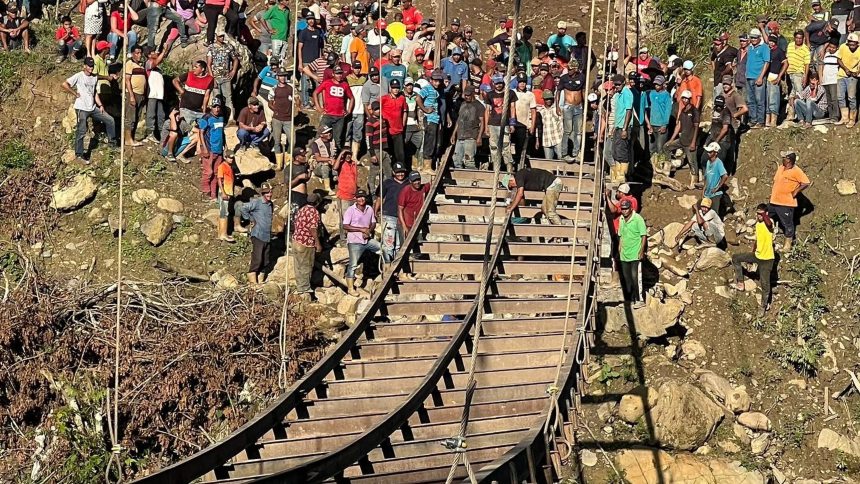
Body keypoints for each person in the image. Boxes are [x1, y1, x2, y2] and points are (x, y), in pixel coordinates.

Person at [62, 57, 116, 163]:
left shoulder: (94, 78)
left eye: (92, 66)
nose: (91, 68)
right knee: (81, 131)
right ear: (84, 66)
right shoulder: (79, 76)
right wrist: (75, 93)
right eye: (89, 66)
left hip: (92, 107)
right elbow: (64, 84)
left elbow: (94, 93)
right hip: (82, 108)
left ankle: (112, 144)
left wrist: (100, 105)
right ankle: (79, 154)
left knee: (110, 120)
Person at [732, 204, 775, 315]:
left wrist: (764, 215)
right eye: (757, 213)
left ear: (765, 214)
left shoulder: (769, 222)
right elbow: (758, 240)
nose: (758, 216)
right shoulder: (758, 225)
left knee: (765, 284)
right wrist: (753, 252)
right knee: (736, 258)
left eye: (760, 214)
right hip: (757, 255)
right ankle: (741, 282)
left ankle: (763, 306)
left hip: (767, 259)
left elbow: (769, 224)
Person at [769, 151, 810, 251]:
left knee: (788, 224)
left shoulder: (796, 171)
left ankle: (788, 245)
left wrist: (796, 191)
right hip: (774, 201)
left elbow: (806, 182)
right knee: (765, 213)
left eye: (784, 157)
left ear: (788, 160)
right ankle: (761, 234)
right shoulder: (781, 168)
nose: (781, 159)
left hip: (785, 203)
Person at [343, 189, 380, 295]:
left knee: (382, 248)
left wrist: (369, 230)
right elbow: (345, 226)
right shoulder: (351, 210)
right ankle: (350, 288)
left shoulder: (369, 209)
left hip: (367, 240)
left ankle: (385, 273)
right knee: (353, 264)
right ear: (356, 199)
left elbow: (373, 222)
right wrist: (361, 229)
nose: (361, 199)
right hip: (354, 241)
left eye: (363, 197)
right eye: (359, 197)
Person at [664, 89, 701, 189]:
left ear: (690, 99)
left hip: (690, 141)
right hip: (682, 139)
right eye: (683, 98)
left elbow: (697, 127)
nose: (684, 100)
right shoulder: (683, 111)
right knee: (666, 147)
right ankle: (667, 170)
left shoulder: (694, 111)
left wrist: (693, 142)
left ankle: (694, 181)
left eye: (686, 98)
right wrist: (671, 139)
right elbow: (678, 126)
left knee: (692, 161)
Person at [241, 182, 275, 285]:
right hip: (258, 235)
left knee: (265, 260)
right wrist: (250, 219)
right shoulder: (257, 202)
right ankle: (253, 281)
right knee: (257, 258)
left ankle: (261, 281)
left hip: (267, 236)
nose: (268, 194)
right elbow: (243, 208)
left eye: (269, 192)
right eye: (266, 193)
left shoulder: (270, 204)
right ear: (262, 193)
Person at [375, 163, 408, 262]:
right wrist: (375, 211)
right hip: (389, 215)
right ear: (393, 172)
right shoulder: (387, 183)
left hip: (402, 218)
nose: (400, 174)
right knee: (388, 243)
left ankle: (396, 266)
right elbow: (379, 198)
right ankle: (387, 266)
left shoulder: (408, 183)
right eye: (398, 172)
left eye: (402, 172)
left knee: (399, 244)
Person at [206, 23, 240, 118]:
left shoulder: (228, 47)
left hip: (226, 76)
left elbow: (235, 59)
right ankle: (219, 118)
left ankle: (230, 118)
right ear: (216, 36)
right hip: (216, 77)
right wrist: (212, 78)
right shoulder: (211, 47)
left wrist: (233, 71)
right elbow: (209, 64)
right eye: (220, 36)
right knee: (217, 99)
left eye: (223, 36)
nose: (222, 38)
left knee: (228, 98)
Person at [292, 193, 322, 296]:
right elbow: (313, 228)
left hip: (296, 240)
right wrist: (318, 243)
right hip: (306, 242)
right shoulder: (314, 212)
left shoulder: (302, 209)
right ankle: (304, 288)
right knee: (306, 265)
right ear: (317, 203)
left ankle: (300, 286)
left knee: (298, 265)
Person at [618, 199, 646, 307]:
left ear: (631, 208)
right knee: (626, 278)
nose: (624, 211)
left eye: (626, 209)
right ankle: (629, 300)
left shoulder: (638, 219)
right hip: (624, 253)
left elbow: (643, 235)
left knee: (635, 277)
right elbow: (621, 235)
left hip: (635, 253)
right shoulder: (621, 219)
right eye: (622, 209)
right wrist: (619, 248)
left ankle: (639, 300)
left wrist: (641, 250)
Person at [485, 74, 516, 170]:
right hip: (493, 124)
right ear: (493, 83)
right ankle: (495, 170)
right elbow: (487, 111)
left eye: (500, 83)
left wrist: (512, 123)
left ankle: (509, 170)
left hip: (505, 124)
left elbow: (512, 108)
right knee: (494, 148)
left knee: (506, 148)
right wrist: (486, 127)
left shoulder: (510, 93)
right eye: (497, 83)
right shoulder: (490, 94)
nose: (499, 85)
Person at [557, 58, 586, 162]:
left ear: (575, 69)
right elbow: (558, 91)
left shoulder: (582, 77)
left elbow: (583, 91)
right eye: (568, 69)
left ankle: (576, 153)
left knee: (578, 131)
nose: (569, 71)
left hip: (579, 106)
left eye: (570, 69)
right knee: (567, 131)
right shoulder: (564, 78)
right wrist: (557, 107)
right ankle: (564, 153)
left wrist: (585, 105)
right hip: (568, 106)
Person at [198, 98, 226, 200]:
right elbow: (201, 132)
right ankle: (206, 192)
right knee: (208, 172)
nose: (217, 109)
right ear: (211, 107)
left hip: (219, 150)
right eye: (215, 107)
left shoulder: (222, 118)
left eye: (218, 107)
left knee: (216, 173)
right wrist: (204, 148)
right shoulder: (206, 118)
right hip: (209, 149)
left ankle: (213, 194)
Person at [173, 60, 214, 128]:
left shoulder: (209, 79)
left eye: (196, 67)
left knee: (202, 129)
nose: (194, 68)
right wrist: (181, 91)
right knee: (185, 129)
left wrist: (204, 111)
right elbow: (175, 81)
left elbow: (206, 96)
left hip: (198, 111)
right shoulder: (189, 74)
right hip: (186, 109)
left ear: (202, 69)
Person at [417, 70, 444, 171]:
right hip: (429, 118)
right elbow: (418, 98)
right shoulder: (427, 88)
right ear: (431, 80)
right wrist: (425, 109)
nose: (437, 83)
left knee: (434, 142)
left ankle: (429, 164)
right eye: (435, 81)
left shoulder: (436, 90)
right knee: (430, 142)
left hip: (435, 119)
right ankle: (426, 166)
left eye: (439, 81)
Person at [745, 28, 771, 128]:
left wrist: (761, 77)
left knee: (759, 100)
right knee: (750, 100)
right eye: (752, 37)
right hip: (749, 77)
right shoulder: (750, 48)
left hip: (758, 77)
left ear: (759, 37)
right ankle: (753, 119)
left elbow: (766, 62)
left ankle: (760, 121)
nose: (754, 39)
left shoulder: (764, 47)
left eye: (755, 37)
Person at [269, 68, 294, 170]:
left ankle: (288, 161)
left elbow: (297, 100)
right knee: (277, 141)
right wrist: (275, 109)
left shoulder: (291, 88)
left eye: (284, 75)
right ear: (277, 77)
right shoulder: (274, 89)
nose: (283, 77)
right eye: (281, 76)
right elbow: (270, 102)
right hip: (277, 118)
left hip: (289, 119)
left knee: (292, 140)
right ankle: (279, 164)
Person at [124, 44, 147, 147]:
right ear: (132, 54)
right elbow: (127, 80)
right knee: (130, 117)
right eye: (137, 53)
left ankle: (132, 138)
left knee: (136, 117)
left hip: (141, 94)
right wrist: (131, 95)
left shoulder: (141, 65)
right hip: (133, 93)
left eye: (140, 53)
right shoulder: (129, 64)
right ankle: (128, 139)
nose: (139, 55)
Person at [836, 32, 860, 127]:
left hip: (853, 76)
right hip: (842, 74)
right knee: (840, 97)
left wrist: (857, 72)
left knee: (851, 97)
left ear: (857, 44)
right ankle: (844, 117)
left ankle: (852, 119)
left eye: (853, 44)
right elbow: (838, 59)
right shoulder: (843, 47)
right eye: (850, 44)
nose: (851, 46)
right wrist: (845, 68)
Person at [512, 73, 536, 168]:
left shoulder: (530, 95)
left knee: (520, 148)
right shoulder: (512, 92)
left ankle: (519, 167)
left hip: (523, 125)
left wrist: (532, 126)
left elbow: (533, 111)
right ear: (517, 82)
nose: (522, 84)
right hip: (512, 124)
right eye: (520, 82)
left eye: (524, 82)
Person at [786, 30, 811, 121]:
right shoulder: (790, 46)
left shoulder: (805, 49)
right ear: (794, 38)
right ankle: (791, 113)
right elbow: (787, 59)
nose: (798, 40)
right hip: (790, 73)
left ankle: (803, 115)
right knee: (792, 93)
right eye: (797, 38)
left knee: (800, 94)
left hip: (799, 73)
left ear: (803, 39)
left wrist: (805, 76)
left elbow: (807, 64)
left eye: (800, 38)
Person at [144, 47, 167, 143]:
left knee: (161, 115)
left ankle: (163, 136)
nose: (156, 53)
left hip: (160, 94)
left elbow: (160, 60)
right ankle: (150, 133)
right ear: (149, 55)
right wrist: (164, 50)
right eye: (153, 52)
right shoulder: (148, 63)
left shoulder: (158, 68)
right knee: (151, 114)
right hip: (152, 93)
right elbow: (156, 62)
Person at [645, 75, 672, 158]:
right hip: (652, 124)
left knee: (660, 148)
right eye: (655, 84)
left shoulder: (666, 95)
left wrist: (664, 124)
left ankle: (662, 166)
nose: (656, 86)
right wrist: (649, 124)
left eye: (658, 84)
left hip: (661, 125)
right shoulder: (651, 93)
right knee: (652, 148)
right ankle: (654, 166)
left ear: (663, 84)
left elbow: (668, 110)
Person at [765, 33, 788, 128]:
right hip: (767, 76)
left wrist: (779, 77)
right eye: (770, 41)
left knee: (774, 99)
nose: (771, 43)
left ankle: (773, 121)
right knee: (768, 99)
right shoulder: (767, 51)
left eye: (773, 41)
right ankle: (767, 121)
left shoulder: (779, 51)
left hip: (774, 76)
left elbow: (786, 63)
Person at [397, 171, 429, 236]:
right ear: (410, 181)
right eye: (414, 181)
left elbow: (432, 183)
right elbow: (400, 209)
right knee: (405, 244)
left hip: (418, 223)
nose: (417, 182)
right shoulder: (405, 191)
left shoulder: (423, 188)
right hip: (407, 223)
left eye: (418, 180)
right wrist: (404, 227)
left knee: (418, 243)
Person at [701, 142, 729, 215]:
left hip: (715, 194)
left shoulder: (718, 163)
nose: (708, 153)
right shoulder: (708, 162)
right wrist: (704, 189)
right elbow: (706, 177)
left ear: (715, 153)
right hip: (707, 193)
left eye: (710, 152)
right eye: (708, 151)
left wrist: (717, 188)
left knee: (714, 213)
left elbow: (725, 175)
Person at [216, 154, 238, 243]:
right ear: (226, 157)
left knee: (225, 212)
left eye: (232, 158)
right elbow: (219, 180)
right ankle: (223, 234)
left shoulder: (230, 167)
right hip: (224, 192)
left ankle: (222, 233)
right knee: (224, 213)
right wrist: (223, 192)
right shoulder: (222, 166)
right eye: (230, 157)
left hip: (228, 192)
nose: (231, 159)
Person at [536, 89, 563, 159]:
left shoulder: (557, 109)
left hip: (558, 138)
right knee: (548, 162)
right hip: (546, 139)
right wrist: (537, 140)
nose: (549, 100)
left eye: (550, 99)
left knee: (561, 159)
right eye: (547, 99)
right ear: (544, 100)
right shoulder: (541, 111)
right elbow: (538, 126)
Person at [710, 33, 738, 100]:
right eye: (722, 39)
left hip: (725, 80)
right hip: (717, 79)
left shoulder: (731, 50)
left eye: (725, 39)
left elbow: (740, 57)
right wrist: (714, 69)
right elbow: (712, 59)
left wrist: (735, 65)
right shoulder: (716, 50)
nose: (724, 41)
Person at [311, 126, 338, 192]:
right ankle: (327, 188)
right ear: (321, 135)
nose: (329, 134)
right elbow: (318, 158)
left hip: (331, 166)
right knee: (325, 165)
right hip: (319, 167)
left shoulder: (333, 141)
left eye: (329, 132)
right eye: (326, 133)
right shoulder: (316, 143)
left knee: (336, 176)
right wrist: (329, 159)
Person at [820, 40, 841, 122]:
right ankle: (830, 115)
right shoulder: (826, 54)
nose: (831, 49)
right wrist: (821, 78)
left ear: (837, 48)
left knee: (834, 99)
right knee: (828, 100)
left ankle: (835, 116)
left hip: (834, 80)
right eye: (830, 47)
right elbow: (821, 66)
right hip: (826, 80)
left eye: (834, 48)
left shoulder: (838, 54)